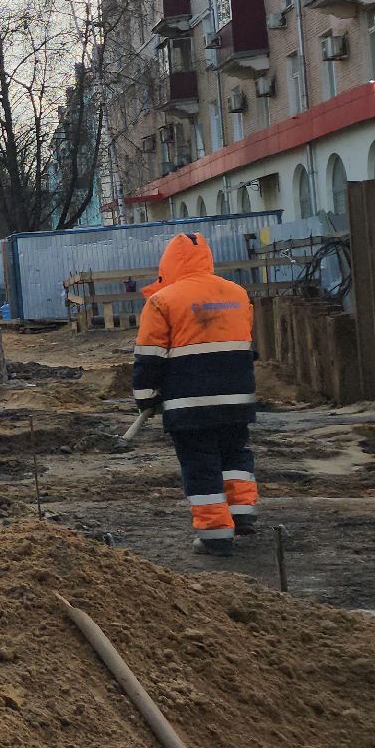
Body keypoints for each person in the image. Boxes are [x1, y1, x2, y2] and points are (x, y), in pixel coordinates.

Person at [132, 233, 259, 557]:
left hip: (191, 405)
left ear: (168, 263)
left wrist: (145, 397)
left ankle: (216, 535)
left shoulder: (162, 300)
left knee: (201, 466)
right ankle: (241, 512)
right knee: (235, 455)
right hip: (237, 399)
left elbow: (150, 357)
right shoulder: (237, 294)